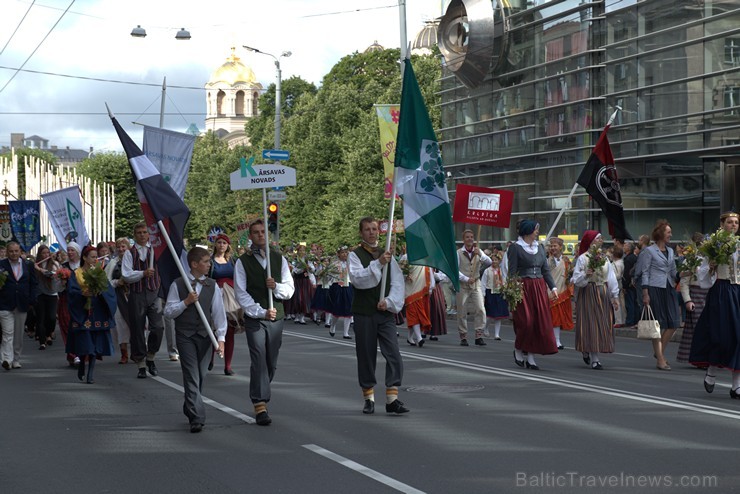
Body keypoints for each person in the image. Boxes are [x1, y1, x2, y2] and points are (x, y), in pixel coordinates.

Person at [234, 219, 295, 426]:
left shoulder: (279, 259)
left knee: (271, 361)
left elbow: (289, 289)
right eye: (256, 232)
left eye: (263, 232)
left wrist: (275, 286)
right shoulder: (243, 262)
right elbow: (241, 294)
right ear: (250, 236)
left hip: (276, 317)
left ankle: (262, 388)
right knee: (258, 357)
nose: (261, 235)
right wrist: (260, 312)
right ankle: (260, 404)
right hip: (255, 318)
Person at [164, 247, 227, 433]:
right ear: (194, 264)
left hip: (205, 336)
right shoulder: (178, 284)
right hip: (185, 336)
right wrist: (186, 302)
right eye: (206, 261)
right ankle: (197, 416)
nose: (209, 264)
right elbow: (168, 312)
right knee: (191, 374)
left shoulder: (212, 285)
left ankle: (189, 405)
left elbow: (218, 313)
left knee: (200, 375)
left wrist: (221, 338)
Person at [349, 217, 407, 415]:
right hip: (364, 312)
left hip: (384, 314)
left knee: (394, 354)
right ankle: (369, 397)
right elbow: (358, 280)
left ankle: (392, 398)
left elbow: (397, 283)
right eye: (367, 229)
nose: (371, 232)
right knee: (366, 355)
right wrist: (378, 264)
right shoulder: (354, 256)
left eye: (374, 229)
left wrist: (389, 301)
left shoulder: (386, 255)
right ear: (361, 233)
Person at [690, 211, 740, 398]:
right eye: (730, 222)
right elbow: (702, 275)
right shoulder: (713, 245)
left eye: (736, 222)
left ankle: (736, 385)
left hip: (738, 292)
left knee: (738, 337)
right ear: (722, 224)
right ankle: (711, 370)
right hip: (722, 292)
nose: (733, 225)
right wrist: (710, 266)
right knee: (720, 336)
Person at [506, 220, 559, 370]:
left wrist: (553, 287)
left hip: (539, 287)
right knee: (526, 321)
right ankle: (518, 348)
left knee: (537, 323)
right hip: (523, 287)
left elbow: (545, 270)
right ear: (528, 230)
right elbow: (512, 272)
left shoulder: (540, 247)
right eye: (535, 229)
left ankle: (530, 357)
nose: (537, 232)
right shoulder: (515, 248)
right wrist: (513, 291)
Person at [121, 222, 166, 379]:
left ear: (149, 234)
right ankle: (140, 364)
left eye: (144, 232)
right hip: (137, 294)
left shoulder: (155, 250)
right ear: (134, 235)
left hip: (154, 292)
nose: (142, 234)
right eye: (139, 232)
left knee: (158, 327)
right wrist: (142, 273)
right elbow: (126, 275)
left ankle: (151, 356)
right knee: (137, 329)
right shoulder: (129, 253)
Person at [66, 245, 116, 384]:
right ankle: (82, 363)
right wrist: (82, 293)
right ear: (85, 258)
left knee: (95, 345)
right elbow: (71, 292)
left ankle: (91, 373)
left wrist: (102, 292)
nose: (95, 260)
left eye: (96, 257)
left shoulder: (100, 273)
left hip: (98, 312)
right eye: (93, 257)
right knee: (85, 343)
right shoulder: (76, 273)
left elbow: (109, 290)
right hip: (82, 312)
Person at [571, 231, 620, 370]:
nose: (600, 241)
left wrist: (614, 296)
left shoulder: (604, 258)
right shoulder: (582, 258)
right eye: (598, 239)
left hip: (602, 292)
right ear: (591, 241)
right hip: (588, 293)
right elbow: (575, 279)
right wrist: (585, 275)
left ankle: (590, 350)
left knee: (602, 324)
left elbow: (611, 277)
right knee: (591, 324)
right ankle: (595, 359)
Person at [635, 220, 678, 371]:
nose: (670, 235)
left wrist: (684, 273)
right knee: (657, 325)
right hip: (654, 288)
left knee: (674, 323)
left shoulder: (671, 251)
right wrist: (645, 293)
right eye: (668, 232)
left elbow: (673, 271)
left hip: (669, 287)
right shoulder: (649, 251)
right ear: (660, 234)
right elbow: (645, 272)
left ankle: (658, 352)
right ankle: (660, 359)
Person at [0, 241, 38, 370]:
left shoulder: (28, 265)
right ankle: (6, 359)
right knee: (7, 333)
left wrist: (32, 300)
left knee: (18, 334)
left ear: (20, 251)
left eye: (16, 251)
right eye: (11, 251)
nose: (14, 253)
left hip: (22, 303)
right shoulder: (1, 265)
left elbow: (33, 283)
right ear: (7, 251)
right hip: (5, 304)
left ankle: (16, 359)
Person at [676, 232, 713, 365]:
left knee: (709, 328)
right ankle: (700, 358)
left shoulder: (711, 259)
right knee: (698, 329)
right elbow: (684, 282)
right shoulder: (690, 260)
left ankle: (706, 357)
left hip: (709, 294)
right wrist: (688, 300)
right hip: (696, 295)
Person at [209, 233, 241, 375]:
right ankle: (209, 359)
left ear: (228, 245)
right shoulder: (210, 261)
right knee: (213, 329)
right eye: (219, 242)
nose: (221, 245)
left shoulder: (233, 261)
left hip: (231, 298)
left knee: (230, 331)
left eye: (224, 243)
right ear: (215, 244)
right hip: (216, 295)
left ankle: (228, 365)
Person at [456, 229, 492, 346]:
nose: (470, 239)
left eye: (472, 237)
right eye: (467, 237)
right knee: (462, 310)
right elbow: (455, 270)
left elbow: (489, 262)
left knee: (480, 308)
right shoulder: (458, 253)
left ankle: (479, 335)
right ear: (463, 239)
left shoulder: (478, 250)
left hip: (476, 284)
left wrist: (481, 254)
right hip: (463, 285)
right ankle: (463, 336)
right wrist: (466, 278)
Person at [105, 238, 132, 364]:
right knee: (121, 325)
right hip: (119, 297)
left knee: (137, 324)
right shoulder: (113, 263)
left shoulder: (135, 261)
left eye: (123, 247)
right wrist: (117, 282)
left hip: (133, 296)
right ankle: (124, 353)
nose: (121, 249)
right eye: (119, 247)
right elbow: (106, 282)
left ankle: (138, 350)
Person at [33, 245, 63, 350]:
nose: (46, 255)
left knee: (51, 317)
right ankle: (42, 342)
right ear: (39, 255)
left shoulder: (54, 264)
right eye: (43, 253)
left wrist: (40, 269)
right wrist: (36, 268)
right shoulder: (35, 265)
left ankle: (49, 333)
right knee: (41, 318)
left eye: (47, 253)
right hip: (40, 294)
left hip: (52, 294)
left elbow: (52, 275)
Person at [547, 237, 574, 349]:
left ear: (560, 247)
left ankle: (556, 340)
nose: (553, 248)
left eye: (555, 246)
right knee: (553, 317)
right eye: (551, 246)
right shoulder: (548, 260)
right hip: (550, 291)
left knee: (558, 317)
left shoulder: (566, 260)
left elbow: (570, 274)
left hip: (562, 290)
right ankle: (554, 340)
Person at [58, 242, 81, 367]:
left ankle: (80, 353)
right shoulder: (63, 267)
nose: (70, 253)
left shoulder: (84, 266)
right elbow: (57, 287)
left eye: (73, 250)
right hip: (66, 299)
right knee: (67, 325)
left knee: (80, 326)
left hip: (81, 299)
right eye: (69, 250)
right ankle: (73, 354)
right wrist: (62, 282)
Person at [403, 262, 433, 347]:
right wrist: (405, 275)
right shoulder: (406, 257)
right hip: (410, 290)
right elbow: (399, 271)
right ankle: (419, 338)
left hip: (421, 290)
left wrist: (431, 286)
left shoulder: (425, 260)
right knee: (413, 313)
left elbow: (429, 271)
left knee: (418, 314)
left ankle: (410, 337)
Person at [481, 252, 508, 341]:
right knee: (490, 314)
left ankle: (497, 334)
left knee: (498, 315)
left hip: (500, 293)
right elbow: (483, 283)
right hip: (490, 293)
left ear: (499, 261)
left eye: (496, 260)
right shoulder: (487, 271)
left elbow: (505, 280)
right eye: (492, 260)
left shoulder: (502, 271)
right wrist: (483, 295)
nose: (494, 262)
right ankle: (486, 327)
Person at [328, 246, 353, 339]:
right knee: (337, 309)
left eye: (346, 253)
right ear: (338, 254)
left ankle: (345, 333)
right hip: (337, 286)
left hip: (348, 286)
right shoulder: (334, 264)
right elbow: (329, 275)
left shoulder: (350, 263)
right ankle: (332, 325)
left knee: (349, 309)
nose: (345, 254)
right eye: (342, 253)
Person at [428, 269, 448, 341]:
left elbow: (444, 276)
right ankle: (422, 331)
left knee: (435, 310)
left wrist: (435, 275)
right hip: (424, 285)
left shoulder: (438, 264)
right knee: (425, 309)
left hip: (435, 288)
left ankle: (433, 332)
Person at [622, 242, 639, 327]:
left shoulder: (628, 259)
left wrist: (624, 285)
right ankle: (635, 320)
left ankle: (630, 321)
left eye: (625, 246)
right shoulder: (635, 257)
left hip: (629, 284)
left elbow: (626, 274)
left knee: (629, 303)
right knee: (635, 302)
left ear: (629, 248)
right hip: (634, 284)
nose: (623, 247)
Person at [611, 247, 626, 327]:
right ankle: (622, 319)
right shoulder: (620, 262)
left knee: (616, 303)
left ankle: (618, 321)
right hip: (619, 284)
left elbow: (617, 275)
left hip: (616, 284)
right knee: (621, 302)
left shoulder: (617, 264)